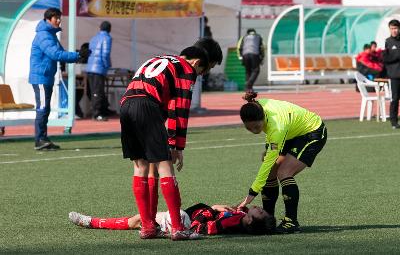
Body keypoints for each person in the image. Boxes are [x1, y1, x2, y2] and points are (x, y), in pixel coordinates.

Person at [119, 45, 213, 241]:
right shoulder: (187, 69)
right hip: (147, 105)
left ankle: (147, 227)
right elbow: (180, 109)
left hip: (126, 105)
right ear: (195, 63)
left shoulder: (159, 59)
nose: (197, 75)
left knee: (140, 167)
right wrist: (178, 146)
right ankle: (178, 229)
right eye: (200, 72)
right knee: (165, 167)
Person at [237, 91, 327, 234]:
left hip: (312, 132)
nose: (254, 131)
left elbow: (269, 156)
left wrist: (251, 195)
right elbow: (270, 139)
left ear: (263, 118)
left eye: (257, 127)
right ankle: (267, 218)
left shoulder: (276, 125)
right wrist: (269, 149)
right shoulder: (255, 108)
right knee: (270, 171)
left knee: (283, 172)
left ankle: (291, 222)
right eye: (249, 128)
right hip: (291, 133)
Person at [29, 8, 82, 151]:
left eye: (59, 17)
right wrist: (77, 56)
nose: (58, 20)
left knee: (44, 109)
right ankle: (39, 140)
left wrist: (78, 54)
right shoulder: (44, 35)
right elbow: (56, 54)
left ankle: (43, 139)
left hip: (45, 76)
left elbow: (60, 52)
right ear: (48, 19)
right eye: (56, 18)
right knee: (42, 108)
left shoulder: (49, 35)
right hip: (41, 77)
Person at [68, 203, 276, 236]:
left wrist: (210, 210)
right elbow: (239, 211)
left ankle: (91, 222)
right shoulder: (241, 216)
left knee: (138, 220)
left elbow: (202, 228)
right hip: (183, 218)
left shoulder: (230, 224)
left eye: (260, 213)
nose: (260, 208)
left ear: (250, 222)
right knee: (140, 218)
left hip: (184, 221)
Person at [86, 21, 113, 122]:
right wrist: (107, 66)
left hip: (90, 68)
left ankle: (101, 110)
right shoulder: (107, 38)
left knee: (94, 91)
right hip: (99, 68)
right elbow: (105, 54)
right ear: (109, 29)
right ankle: (97, 114)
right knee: (98, 92)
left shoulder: (94, 38)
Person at [383, 19, 400, 129]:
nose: (394, 30)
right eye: (392, 28)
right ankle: (394, 121)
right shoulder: (387, 42)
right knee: (395, 98)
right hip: (395, 76)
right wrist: (397, 55)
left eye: (396, 28)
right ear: (389, 29)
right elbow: (385, 58)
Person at [201, 16, 213, 91]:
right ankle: (202, 86)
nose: (204, 23)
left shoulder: (207, 30)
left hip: (206, 53)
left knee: (206, 69)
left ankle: (205, 86)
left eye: (204, 22)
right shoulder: (197, 28)